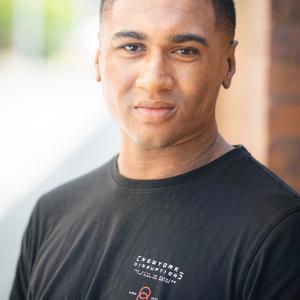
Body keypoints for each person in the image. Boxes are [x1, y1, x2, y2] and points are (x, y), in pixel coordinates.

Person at [10, 0, 300, 299]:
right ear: (99, 57)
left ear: (228, 63)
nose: (154, 80)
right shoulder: (53, 212)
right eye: (133, 47)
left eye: (185, 50)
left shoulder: (278, 232)